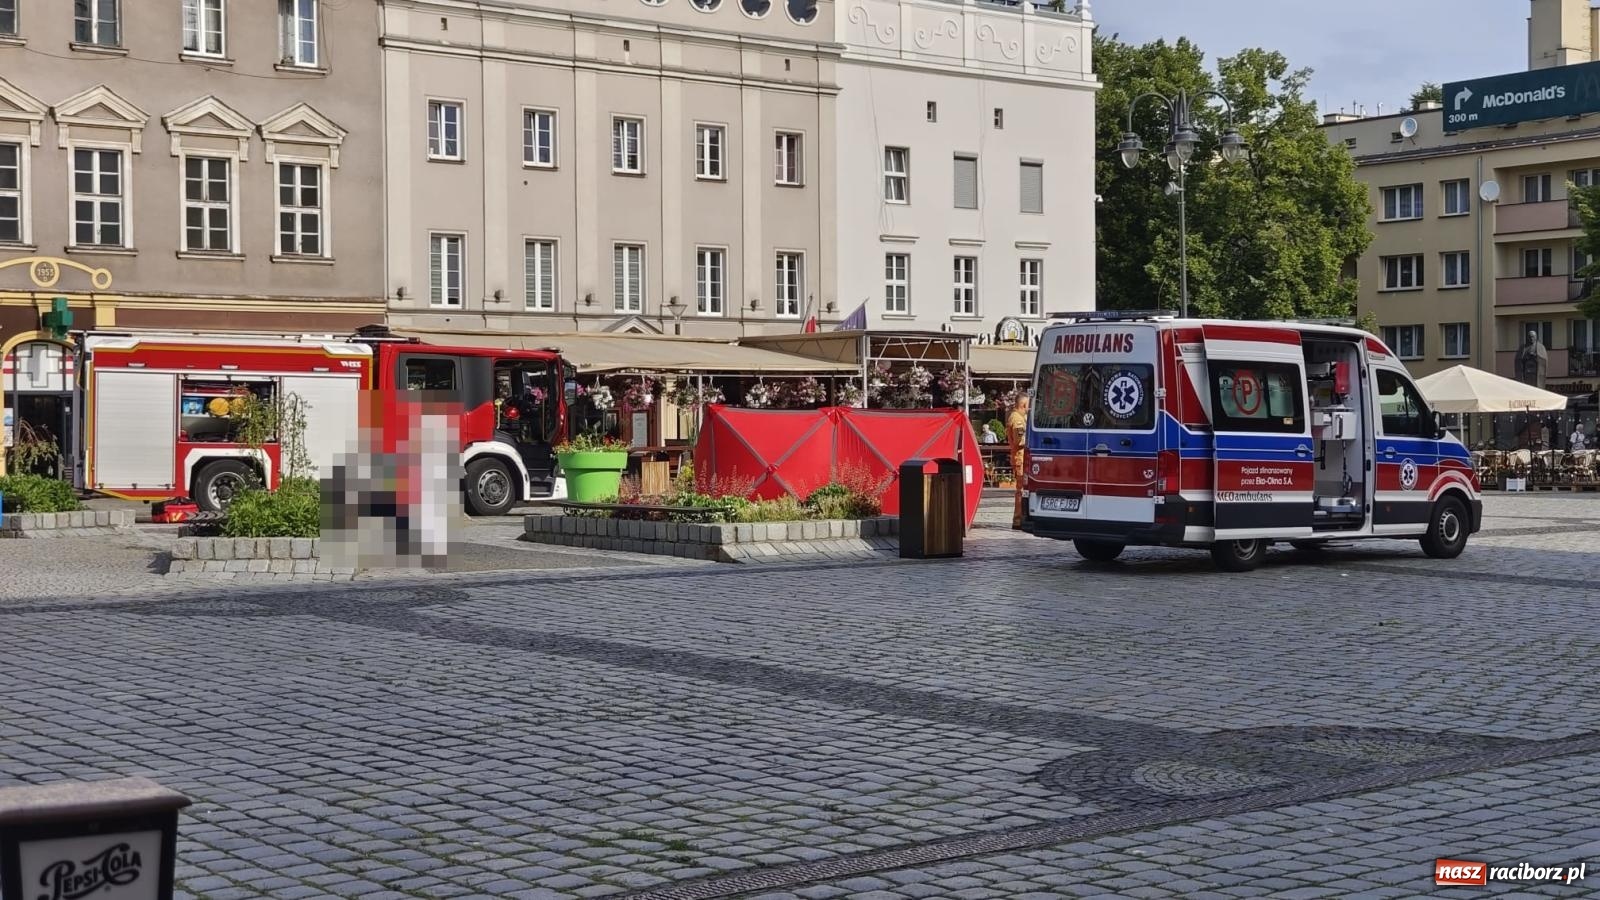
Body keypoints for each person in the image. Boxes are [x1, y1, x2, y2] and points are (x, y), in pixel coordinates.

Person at [1007, 394, 1030, 529]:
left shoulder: (1019, 417)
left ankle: (1020, 517)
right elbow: (1020, 440)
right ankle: (1018, 519)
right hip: (1020, 457)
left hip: (1021, 457)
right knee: (1020, 490)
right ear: (1023, 405)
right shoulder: (1017, 419)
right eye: (1028, 405)